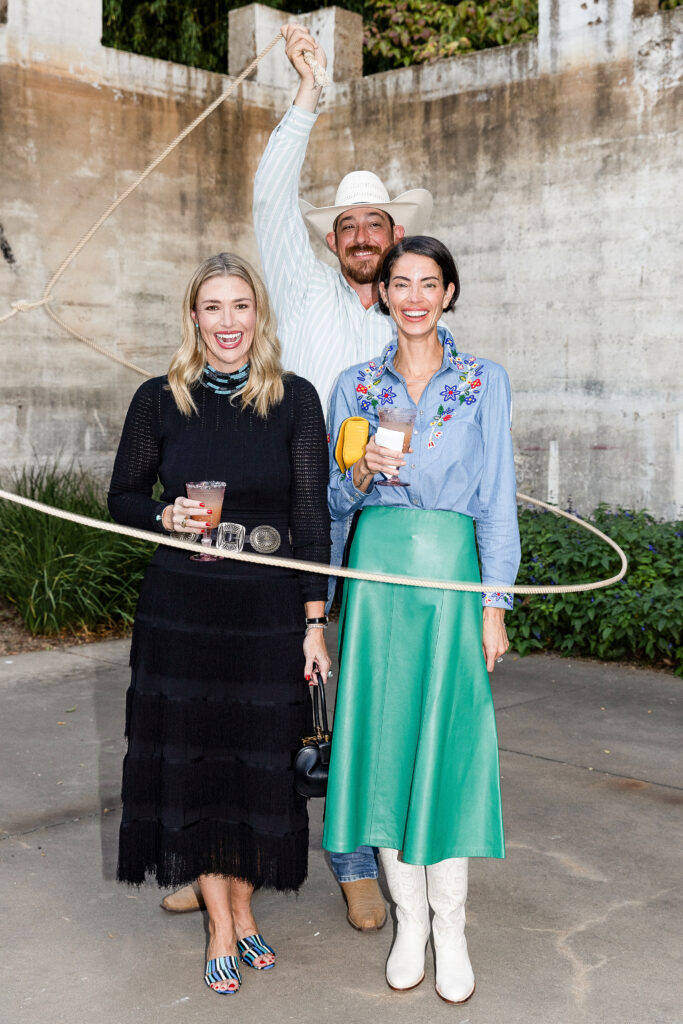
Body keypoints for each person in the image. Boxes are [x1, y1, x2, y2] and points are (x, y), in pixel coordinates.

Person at [108, 252, 331, 995]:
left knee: (254, 759)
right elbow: (122, 498)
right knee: (197, 759)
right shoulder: (159, 399)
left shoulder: (294, 399)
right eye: (213, 307)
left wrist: (312, 620)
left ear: (257, 315)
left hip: (267, 609)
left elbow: (309, 514)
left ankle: (242, 907)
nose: (228, 321)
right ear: (193, 317)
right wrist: (162, 512)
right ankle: (221, 922)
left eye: (241, 306)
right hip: (185, 606)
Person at [323, 236, 520, 1004]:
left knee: (446, 745)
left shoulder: (482, 381)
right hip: (376, 578)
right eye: (398, 283)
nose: (411, 296)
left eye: (427, 283)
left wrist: (494, 604)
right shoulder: (354, 384)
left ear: (447, 293)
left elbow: (496, 498)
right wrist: (359, 472)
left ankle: (450, 925)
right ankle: (408, 921)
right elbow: (336, 504)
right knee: (381, 748)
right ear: (381, 294)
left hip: (449, 576)